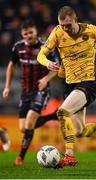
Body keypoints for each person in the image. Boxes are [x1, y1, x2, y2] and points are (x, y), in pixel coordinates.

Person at [37, 6, 96, 168]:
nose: (65, 29)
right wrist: (48, 63)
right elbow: (41, 54)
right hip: (70, 86)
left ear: (75, 20)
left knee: (62, 112)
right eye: (62, 25)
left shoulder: (90, 31)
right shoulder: (57, 32)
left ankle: (69, 155)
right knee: (79, 131)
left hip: (87, 84)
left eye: (68, 25)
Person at [2, 19, 58, 165]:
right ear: (22, 34)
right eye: (25, 33)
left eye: (31, 32)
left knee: (31, 118)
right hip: (25, 90)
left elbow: (57, 67)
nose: (28, 35)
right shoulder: (18, 47)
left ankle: (20, 157)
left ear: (36, 31)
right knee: (23, 128)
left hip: (41, 89)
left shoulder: (45, 47)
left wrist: (46, 78)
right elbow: (11, 66)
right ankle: (53, 115)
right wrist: (7, 87)